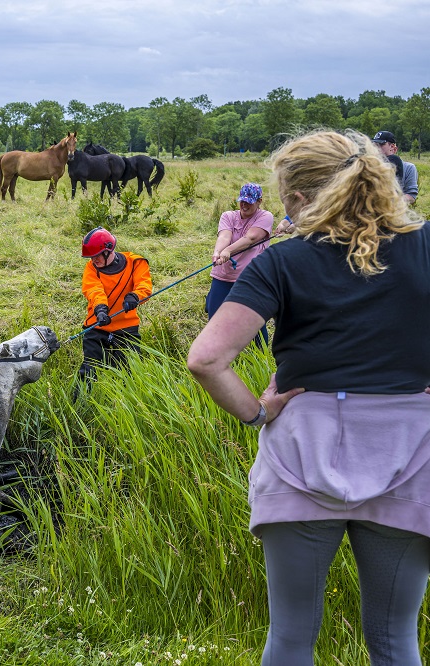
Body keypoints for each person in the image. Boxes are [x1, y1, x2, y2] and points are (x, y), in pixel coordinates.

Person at [187, 130, 430, 664]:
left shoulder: (282, 260)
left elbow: (206, 358)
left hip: (303, 450)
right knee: (395, 638)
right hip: (410, 451)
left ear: (298, 199)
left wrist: (256, 412)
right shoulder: (427, 243)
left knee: (292, 636)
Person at [77, 227, 152, 390]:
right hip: (97, 324)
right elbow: (93, 290)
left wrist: (135, 297)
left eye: (96, 256)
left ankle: (128, 404)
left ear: (108, 250)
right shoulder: (91, 268)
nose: (93, 260)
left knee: (130, 372)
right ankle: (79, 404)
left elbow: (144, 287)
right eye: (90, 257)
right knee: (89, 370)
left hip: (127, 328)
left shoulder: (136, 262)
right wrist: (101, 310)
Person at [206, 183, 274, 346]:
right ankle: (219, 356)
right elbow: (224, 236)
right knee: (215, 318)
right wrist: (218, 252)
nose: (244, 205)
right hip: (224, 275)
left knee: (254, 319)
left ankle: (261, 356)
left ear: (259, 201)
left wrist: (228, 251)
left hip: (250, 278)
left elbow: (250, 238)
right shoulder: (228, 216)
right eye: (242, 201)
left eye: (249, 201)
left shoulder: (265, 217)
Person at [372, 130, 418, 203]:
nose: (377, 148)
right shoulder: (370, 166)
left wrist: (389, 202)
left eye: (381, 144)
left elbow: (411, 196)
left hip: (397, 211)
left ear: (392, 146)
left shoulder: (409, 167)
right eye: (375, 145)